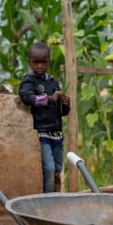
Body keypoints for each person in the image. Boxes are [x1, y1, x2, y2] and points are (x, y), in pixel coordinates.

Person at [19, 41, 70, 193]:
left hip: (57, 133)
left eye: (44, 62)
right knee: (48, 168)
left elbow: (62, 112)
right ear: (29, 62)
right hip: (42, 133)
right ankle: (47, 200)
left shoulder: (53, 82)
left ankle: (56, 197)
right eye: (36, 62)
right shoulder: (29, 81)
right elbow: (27, 97)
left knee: (57, 169)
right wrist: (49, 98)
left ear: (49, 61)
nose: (40, 66)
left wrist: (65, 104)